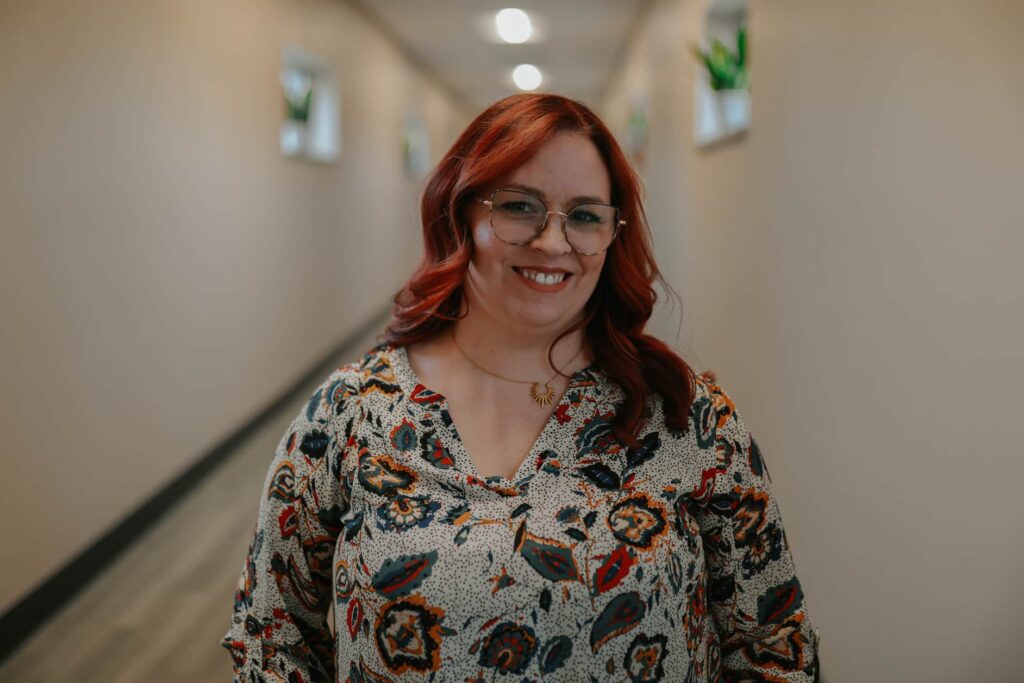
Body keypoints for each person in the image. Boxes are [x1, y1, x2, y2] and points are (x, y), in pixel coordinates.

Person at [221, 93, 820, 682]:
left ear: (613, 234)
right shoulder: (351, 414)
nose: (553, 243)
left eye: (585, 216)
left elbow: (774, 643)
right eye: (519, 206)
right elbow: (270, 633)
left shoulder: (687, 418)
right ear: (460, 215)